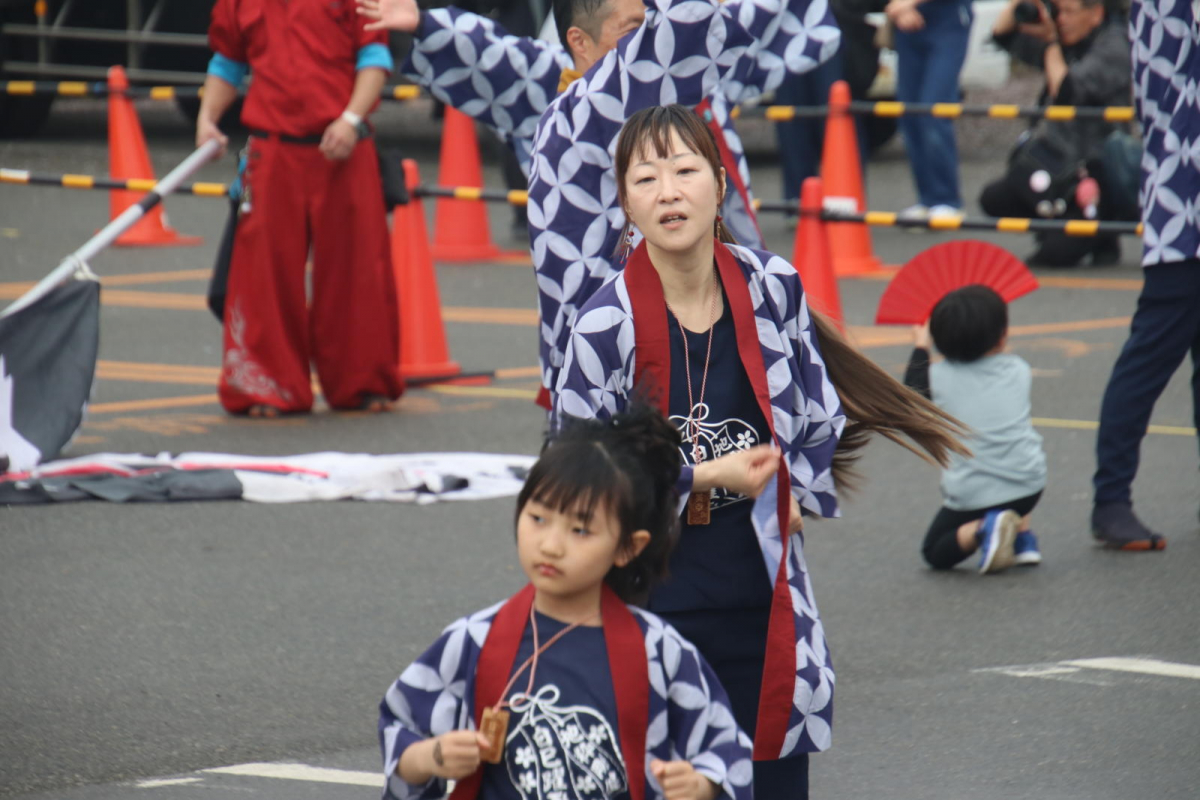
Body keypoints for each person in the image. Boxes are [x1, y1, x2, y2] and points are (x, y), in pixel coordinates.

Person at [554, 105, 967, 800]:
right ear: (624, 201)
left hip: (761, 585)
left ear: (720, 184)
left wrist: (798, 491)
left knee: (773, 777)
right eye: (646, 177)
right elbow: (575, 477)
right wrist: (704, 475)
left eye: (686, 171)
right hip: (650, 592)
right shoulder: (603, 324)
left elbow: (815, 410)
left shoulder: (771, 286)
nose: (668, 191)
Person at [378, 405, 754, 800]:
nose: (551, 545)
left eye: (580, 529)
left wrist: (701, 785)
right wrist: (429, 757)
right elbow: (400, 726)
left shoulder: (660, 650)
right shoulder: (472, 640)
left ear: (628, 547)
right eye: (538, 518)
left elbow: (726, 751)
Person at [197, 1, 405, 418]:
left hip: (344, 149)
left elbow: (374, 57)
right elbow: (228, 61)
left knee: (356, 274)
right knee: (263, 277)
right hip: (273, 153)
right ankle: (267, 386)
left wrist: (349, 118)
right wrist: (207, 119)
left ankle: (361, 383)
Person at [1089, 0, 1196, 550]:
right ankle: (1110, 499)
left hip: (1175, 179)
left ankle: (1111, 500)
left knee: (1158, 354)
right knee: (1150, 355)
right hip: (1188, 192)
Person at [902, 286, 1048, 574]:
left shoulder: (937, 377)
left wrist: (921, 345)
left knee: (934, 551)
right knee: (1012, 449)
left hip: (973, 493)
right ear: (1002, 336)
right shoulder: (1017, 369)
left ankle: (985, 529)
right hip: (1030, 485)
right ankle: (1021, 539)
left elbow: (910, 393)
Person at [979, 0, 1133, 267]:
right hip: (1057, 163)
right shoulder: (1067, 37)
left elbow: (1066, 92)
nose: (1061, 20)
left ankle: (1099, 229)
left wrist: (1051, 45)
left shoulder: (1115, 46)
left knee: (1052, 257)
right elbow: (1002, 36)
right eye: (1058, 11)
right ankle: (1073, 227)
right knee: (994, 198)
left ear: (1096, 13)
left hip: (1097, 170)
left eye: (1069, 12)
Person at [884, 0, 974, 222]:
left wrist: (904, 4)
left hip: (948, 17)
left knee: (933, 110)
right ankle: (927, 199)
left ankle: (948, 200)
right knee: (910, 114)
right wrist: (900, 9)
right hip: (907, 23)